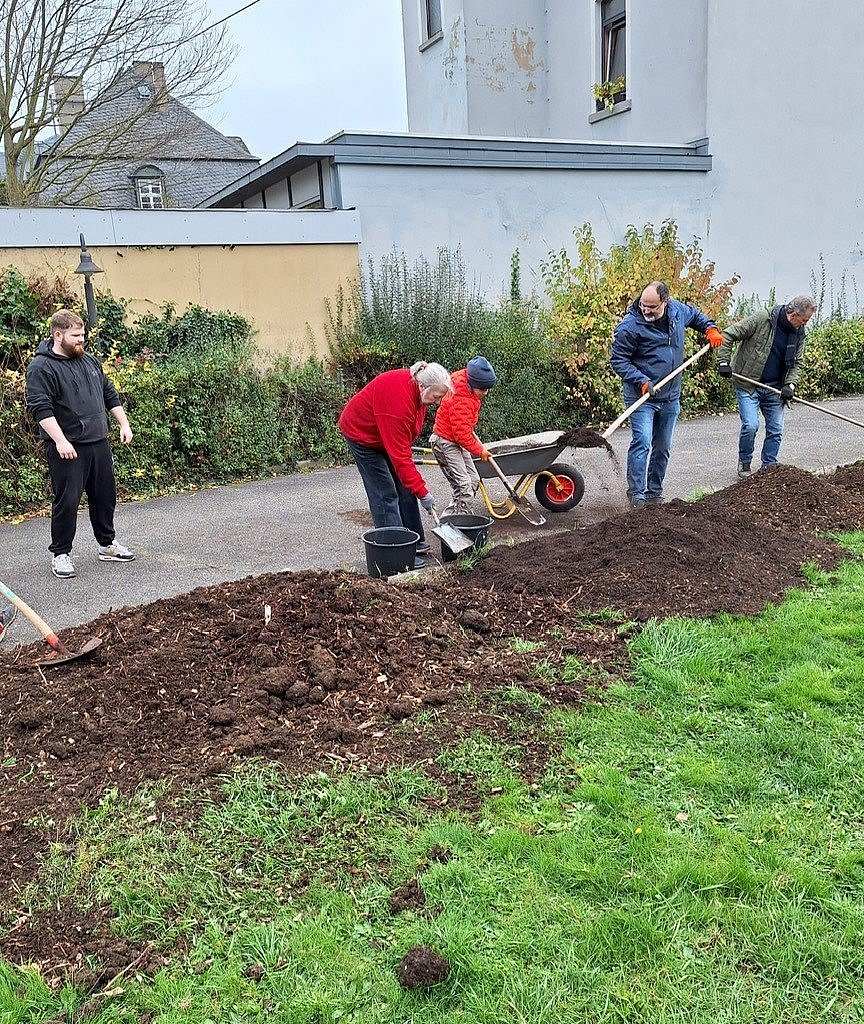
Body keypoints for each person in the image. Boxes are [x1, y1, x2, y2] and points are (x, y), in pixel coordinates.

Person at [25, 309, 136, 579]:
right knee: (68, 500)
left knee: (105, 496)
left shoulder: (90, 362)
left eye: (83, 335)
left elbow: (108, 393)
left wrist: (124, 423)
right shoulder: (41, 367)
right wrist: (60, 440)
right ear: (58, 335)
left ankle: (107, 545)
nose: (80, 340)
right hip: (67, 447)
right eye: (75, 336)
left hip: (98, 441)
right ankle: (60, 554)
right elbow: (41, 409)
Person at [611, 281, 723, 509]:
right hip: (642, 396)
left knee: (663, 446)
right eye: (643, 305)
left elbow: (696, 317)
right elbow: (619, 361)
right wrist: (641, 380)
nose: (646, 311)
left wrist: (710, 329)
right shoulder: (630, 326)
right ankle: (637, 494)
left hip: (671, 395)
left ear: (665, 302)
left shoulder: (677, 311)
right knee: (641, 441)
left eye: (652, 307)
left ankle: (654, 493)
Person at [338, 361, 453, 569]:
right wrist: (424, 493)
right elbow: (401, 459)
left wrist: (416, 488)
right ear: (422, 386)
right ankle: (394, 552)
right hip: (362, 435)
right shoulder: (398, 404)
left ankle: (413, 541)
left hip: (384, 434)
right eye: (436, 397)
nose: (437, 402)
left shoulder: (418, 393)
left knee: (405, 486)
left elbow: (403, 444)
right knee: (385, 493)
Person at [716, 296, 816, 477]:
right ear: (792, 314)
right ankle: (745, 462)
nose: (805, 324)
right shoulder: (763, 319)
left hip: (775, 389)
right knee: (750, 426)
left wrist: (790, 385)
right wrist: (723, 362)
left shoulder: (799, 332)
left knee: (776, 429)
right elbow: (729, 334)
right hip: (748, 383)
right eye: (804, 320)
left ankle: (768, 469)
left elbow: (798, 363)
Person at [430, 356, 497, 517]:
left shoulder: (467, 380)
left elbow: (462, 429)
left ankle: (454, 516)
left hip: (455, 439)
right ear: (472, 384)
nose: (485, 393)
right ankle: (460, 521)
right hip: (445, 441)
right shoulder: (462, 398)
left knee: (473, 479)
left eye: (487, 389)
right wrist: (480, 451)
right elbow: (461, 434)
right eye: (482, 389)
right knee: (464, 485)